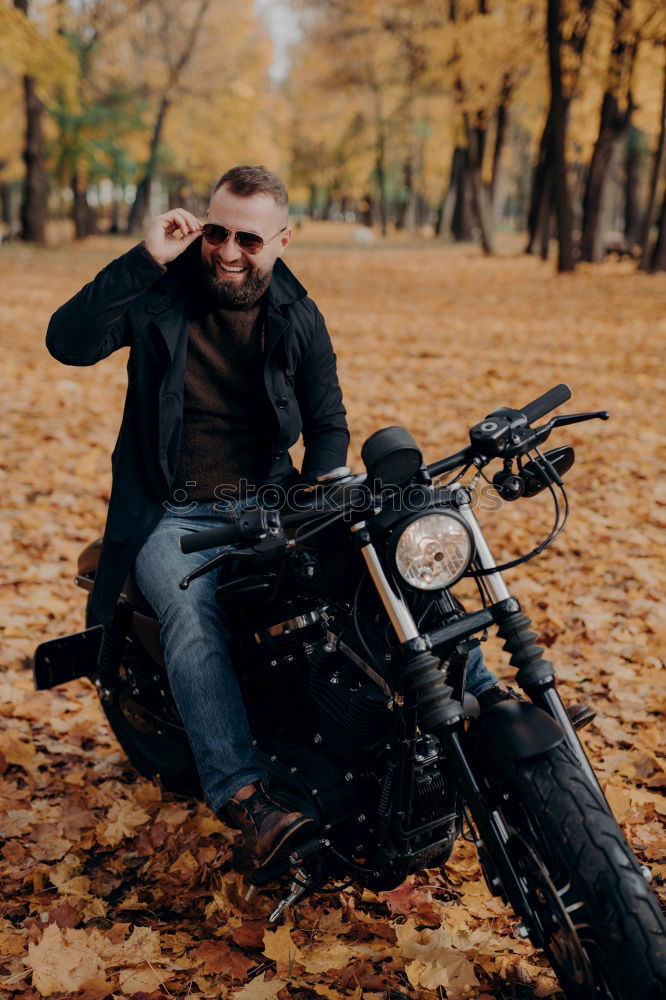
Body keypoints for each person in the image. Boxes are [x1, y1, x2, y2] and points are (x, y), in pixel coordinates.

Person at [46, 165, 589, 870]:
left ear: (281, 239)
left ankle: (486, 696)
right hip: (171, 507)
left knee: (396, 549)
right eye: (216, 232)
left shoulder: (297, 313)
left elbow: (328, 424)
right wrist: (146, 255)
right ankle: (245, 794)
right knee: (190, 612)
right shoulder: (159, 291)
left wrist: (321, 485)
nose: (227, 250)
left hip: (275, 497)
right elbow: (69, 340)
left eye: (248, 237)